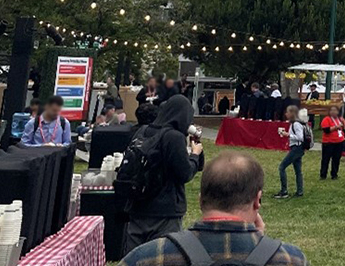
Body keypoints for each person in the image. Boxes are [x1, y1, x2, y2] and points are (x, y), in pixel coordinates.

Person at [120, 151, 307, 266]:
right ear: (258, 200)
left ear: (200, 200)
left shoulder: (147, 257)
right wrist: (258, 244)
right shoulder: (291, 259)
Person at [122, 96, 205, 250]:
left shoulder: (143, 130)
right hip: (165, 209)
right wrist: (194, 154)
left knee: (135, 256)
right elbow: (185, 173)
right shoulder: (174, 137)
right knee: (162, 256)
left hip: (137, 204)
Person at [275, 105, 306, 199]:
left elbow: (300, 137)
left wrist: (287, 135)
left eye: (287, 112)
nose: (286, 114)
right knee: (298, 170)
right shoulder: (295, 123)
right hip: (298, 148)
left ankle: (284, 191)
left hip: (296, 148)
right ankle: (299, 191)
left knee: (282, 167)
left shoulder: (296, 124)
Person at [319, 105, 345, 180]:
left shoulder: (339, 119)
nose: (333, 112)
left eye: (335, 110)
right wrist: (335, 127)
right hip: (328, 142)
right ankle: (323, 174)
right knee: (325, 159)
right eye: (332, 110)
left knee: (336, 159)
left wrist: (344, 123)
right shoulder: (326, 119)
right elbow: (326, 130)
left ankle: (334, 174)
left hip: (339, 141)